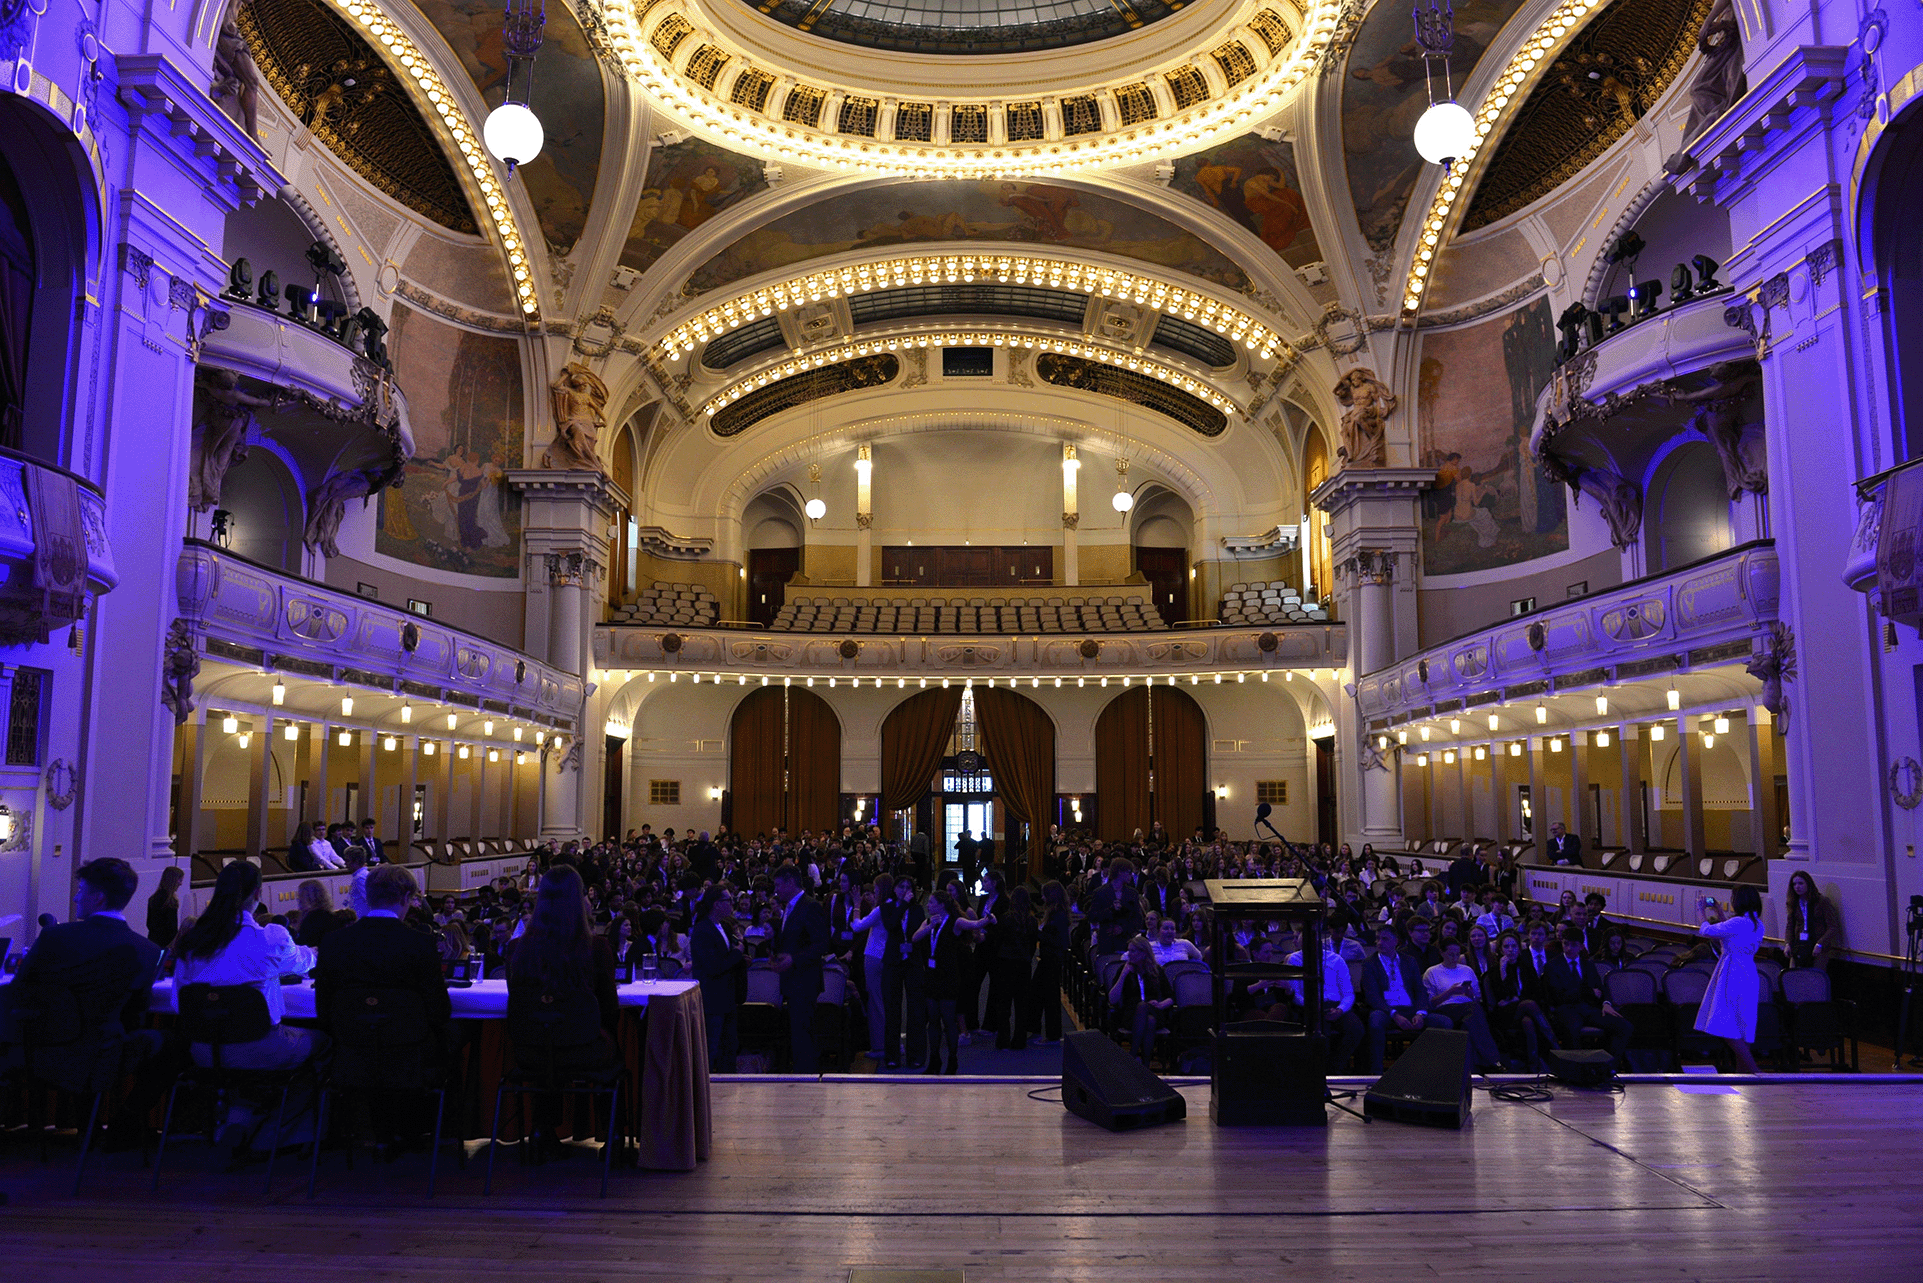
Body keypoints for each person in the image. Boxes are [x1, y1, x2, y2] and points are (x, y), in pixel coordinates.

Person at [172, 860, 328, 1152]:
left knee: (240, 1070)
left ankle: (238, 1121)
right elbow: (299, 961)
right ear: (258, 893)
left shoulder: (194, 940)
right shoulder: (270, 936)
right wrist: (314, 954)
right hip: (260, 1046)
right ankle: (283, 1137)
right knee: (325, 1043)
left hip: (204, 1050)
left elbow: (178, 1002)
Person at [6, 859, 165, 1132]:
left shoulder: (55, 937)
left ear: (99, 897)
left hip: (43, 1051)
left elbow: (20, 992)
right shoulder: (148, 950)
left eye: (81, 889)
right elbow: (135, 1014)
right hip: (107, 1055)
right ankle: (121, 1126)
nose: (76, 897)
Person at [313, 865, 450, 1150]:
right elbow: (439, 1010)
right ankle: (434, 1129)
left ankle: (360, 1129)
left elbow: (324, 1011)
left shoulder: (334, 942)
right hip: (408, 1054)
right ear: (404, 897)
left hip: (351, 1052)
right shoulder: (419, 944)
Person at [506, 866, 619, 1145]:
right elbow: (609, 1012)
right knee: (606, 1045)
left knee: (548, 1036)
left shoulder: (517, 950)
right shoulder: (596, 948)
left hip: (528, 1049)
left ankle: (541, 1129)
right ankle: (613, 1134)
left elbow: (521, 1005)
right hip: (584, 1049)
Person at [914, 889, 994, 1074]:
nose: (928, 905)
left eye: (932, 903)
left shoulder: (955, 921)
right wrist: (928, 927)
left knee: (949, 1020)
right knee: (933, 1020)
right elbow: (915, 937)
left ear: (941, 905)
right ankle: (934, 1060)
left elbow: (973, 924)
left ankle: (952, 1060)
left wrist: (986, 920)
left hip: (949, 976)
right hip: (932, 976)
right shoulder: (928, 921)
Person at [1360, 923, 1455, 1074]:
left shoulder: (1409, 961)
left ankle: (1435, 1071)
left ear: (1395, 941)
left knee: (1445, 1022)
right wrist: (1394, 1015)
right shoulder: (1369, 963)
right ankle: (1376, 1072)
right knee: (1375, 1021)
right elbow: (1372, 996)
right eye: (1377, 939)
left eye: (1384, 939)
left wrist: (1421, 1013)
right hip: (1386, 1010)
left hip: (1410, 1009)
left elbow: (1420, 990)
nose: (1379, 942)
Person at [1695, 886, 1765, 1073]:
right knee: (1742, 1021)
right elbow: (1729, 934)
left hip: (1732, 972)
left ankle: (1754, 1071)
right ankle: (1744, 1075)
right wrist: (1719, 912)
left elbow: (1707, 931)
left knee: (1723, 1020)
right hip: (1749, 972)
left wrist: (1701, 911)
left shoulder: (1738, 923)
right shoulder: (1757, 924)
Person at [770, 863, 830, 1074]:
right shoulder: (789, 906)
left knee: (804, 1033)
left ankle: (807, 1077)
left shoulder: (810, 906)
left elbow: (822, 943)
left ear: (790, 882)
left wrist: (793, 959)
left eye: (778, 884)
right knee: (797, 1032)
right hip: (793, 980)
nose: (776, 890)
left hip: (805, 980)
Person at [1540, 927, 1632, 1065]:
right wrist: (1588, 991)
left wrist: (1606, 1003)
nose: (1569, 948)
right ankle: (1575, 1069)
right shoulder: (1552, 966)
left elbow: (1600, 988)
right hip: (1566, 1009)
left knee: (1624, 1026)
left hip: (1588, 1008)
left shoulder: (1588, 965)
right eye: (1566, 944)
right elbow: (1558, 996)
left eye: (1573, 945)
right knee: (1572, 1028)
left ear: (1581, 946)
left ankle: (1608, 1066)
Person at [1284, 930, 1364, 1074]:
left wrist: (1340, 1009)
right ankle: (1321, 1072)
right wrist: (1312, 1005)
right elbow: (1295, 994)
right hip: (1308, 1005)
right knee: (1321, 1033)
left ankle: (1335, 1067)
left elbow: (1348, 993)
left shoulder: (1336, 960)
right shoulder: (1294, 960)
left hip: (1335, 1005)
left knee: (1356, 1029)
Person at [1421, 939, 1504, 1071]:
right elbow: (1430, 1003)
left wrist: (1470, 994)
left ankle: (1471, 1068)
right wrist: (1450, 992)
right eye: (1450, 954)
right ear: (1442, 953)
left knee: (1468, 1022)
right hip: (1445, 1008)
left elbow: (1477, 997)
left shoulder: (1467, 970)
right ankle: (1494, 1060)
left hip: (1468, 1007)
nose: (1455, 958)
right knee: (1474, 1011)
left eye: (1457, 954)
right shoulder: (1432, 972)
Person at [689, 886, 744, 1072]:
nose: (731, 904)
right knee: (712, 1048)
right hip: (712, 998)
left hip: (727, 996)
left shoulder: (724, 926)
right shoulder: (703, 929)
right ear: (716, 904)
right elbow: (713, 966)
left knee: (729, 1047)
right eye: (727, 900)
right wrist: (737, 955)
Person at [849, 875, 896, 1067]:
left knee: (876, 1003)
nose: (874, 892)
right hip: (888, 957)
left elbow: (857, 926)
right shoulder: (895, 905)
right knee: (888, 1001)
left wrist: (857, 905)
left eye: (876, 889)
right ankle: (891, 1044)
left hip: (874, 956)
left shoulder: (880, 909)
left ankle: (879, 1047)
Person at [1108, 935, 1175, 1066]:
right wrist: (1123, 975)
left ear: (1144, 953)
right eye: (1129, 950)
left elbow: (1172, 997)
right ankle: (1145, 1065)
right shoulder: (1124, 970)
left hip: (1155, 1009)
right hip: (1131, 1014)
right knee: (1149, 1020)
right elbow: (1112, 999)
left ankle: (1132, 1058)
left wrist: (1161, 1005)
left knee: (1146, 1010)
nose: (1129, 954)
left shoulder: (1157, 971)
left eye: (1133, 951)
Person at [1030, 880, 1070, 1046]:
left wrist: (1037, 934)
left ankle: (1052, 1035)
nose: (1042, 897)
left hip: (1052, 959)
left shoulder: (1058, 915)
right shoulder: (1054, 912)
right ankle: (1039, 1030)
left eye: (1044, 894)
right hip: (1049, 958)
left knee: (1049, 997)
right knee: (1040, 994)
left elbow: (1059, 941)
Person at [1784, 870, 1837, 970]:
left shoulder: (1822, 901)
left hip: (1817, 946)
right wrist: (1788, 944)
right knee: (1793, 975)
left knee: (1814, 978)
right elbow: (1790, 926)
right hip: (1799, 945)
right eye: (1794, 884)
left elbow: (1833, 927)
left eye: (1800, 883)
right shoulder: (1794, 903)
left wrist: (1820, 943)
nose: (1797, 887)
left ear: (1808, 884)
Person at [293, 879, 349, 947]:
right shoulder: (333, 917)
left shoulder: (311, 921)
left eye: (301, 895)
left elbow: (303, 945)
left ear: (311, 898)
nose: (298, 899)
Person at [147, 864, 185, 949]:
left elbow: (149, 924)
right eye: (180, 880)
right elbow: (172, 929)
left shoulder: (153, 898)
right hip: (166, 945)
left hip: (152, 942)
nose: (181, 883)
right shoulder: (171, 902)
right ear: (173, 880)